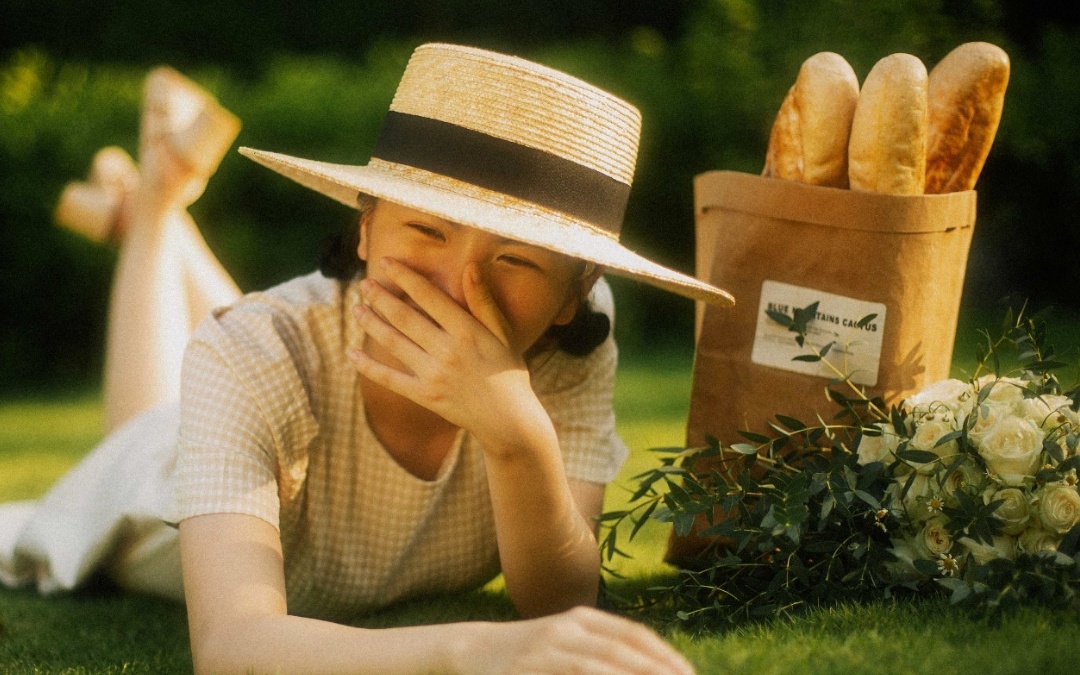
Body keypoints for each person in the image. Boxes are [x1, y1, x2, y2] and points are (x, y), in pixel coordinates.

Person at [0, 43, 733, 673]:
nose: (464, 291)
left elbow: (555, 596)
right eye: (427, 229)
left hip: (273, 369)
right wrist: (475, 652)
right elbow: (232, 647)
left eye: (514, 258)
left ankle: (148, 209)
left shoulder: (569, 341)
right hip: (143, 489)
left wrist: (520, 436)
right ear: (365, 225)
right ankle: (157, 202)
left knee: (253, 349)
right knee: (152, 421)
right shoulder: (249, 351)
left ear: (575, 293)